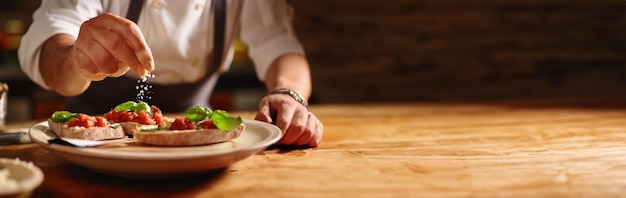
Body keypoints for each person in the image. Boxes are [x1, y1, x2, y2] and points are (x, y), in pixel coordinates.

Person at [18, 0, 323, 147]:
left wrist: (287, 93)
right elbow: (52, 44)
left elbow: (279, 42)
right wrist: (77, 61)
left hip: (197, 143)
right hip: (89, 142)